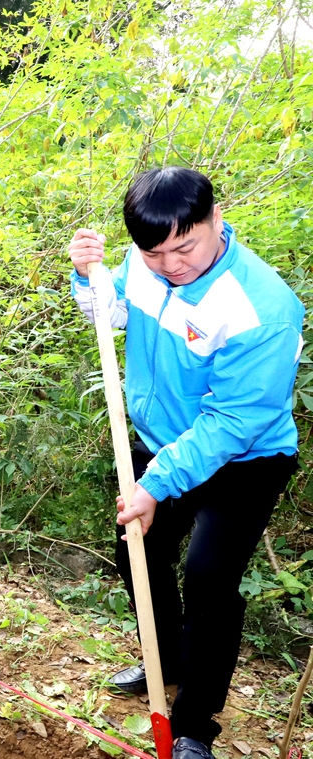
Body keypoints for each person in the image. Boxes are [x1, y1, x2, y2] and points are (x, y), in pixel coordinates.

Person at [68, 167, 303, 759]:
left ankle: (196, 723)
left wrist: (158, 482)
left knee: (209, 581)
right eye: (155, 253)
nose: (172, 265)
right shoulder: (144, 262)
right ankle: (163, 659)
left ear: (215, 219)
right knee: (137, 548)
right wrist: (87, 276)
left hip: (243, 458)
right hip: (160, 441)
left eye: (185, 247)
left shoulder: (263, 308)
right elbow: (111, 313)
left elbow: (233, 421)